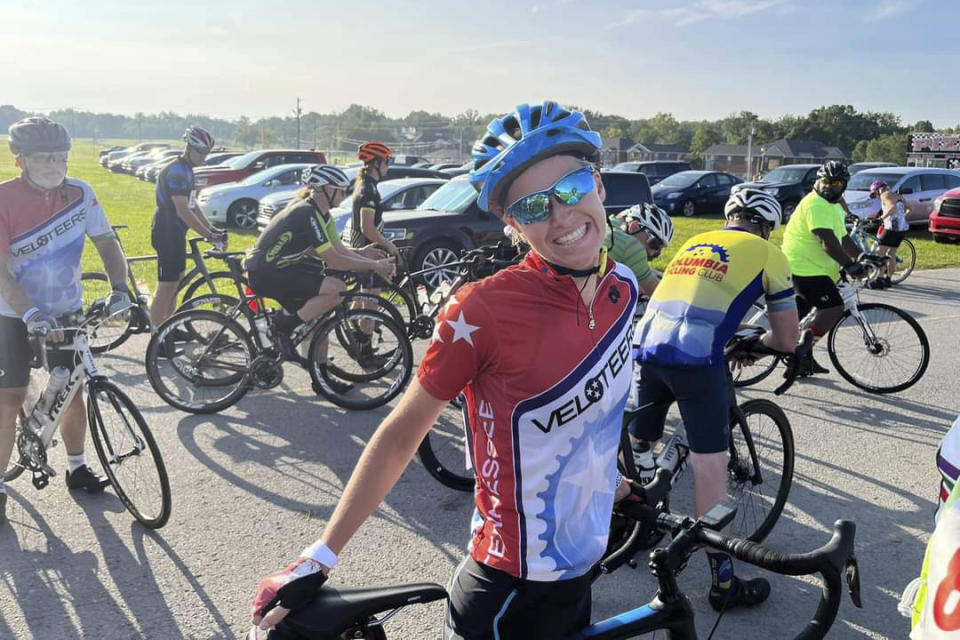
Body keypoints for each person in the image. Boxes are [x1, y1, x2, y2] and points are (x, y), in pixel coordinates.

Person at [251, 101, 639, 639]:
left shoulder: (623, 286)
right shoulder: (482, 310)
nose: (562, 216)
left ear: (597, 183)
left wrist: (605, 481)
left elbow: (592, 414)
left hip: (580, 568)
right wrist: (319, 556)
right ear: (510, 223)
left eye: (572, 189)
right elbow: (398, 436)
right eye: (532, 207)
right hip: (511, 592)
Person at [631, 187, 799, 611]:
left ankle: (636, 517)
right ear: (766, 225)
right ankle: (724, 583)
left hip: (647, 347)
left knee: (640, 444)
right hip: (697, 357)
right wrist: (757, 345)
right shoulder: (767, 251)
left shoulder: (693, 241)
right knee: (711, 468)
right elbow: (787, 338)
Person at [0, 117, 133, 525]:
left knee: (72, 390)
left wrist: (121, 289)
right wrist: (30, 313)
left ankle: (77, 467)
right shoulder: (4, 198)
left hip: (65, 308)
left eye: (61, 157)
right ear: (19, 160)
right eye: (43, 158)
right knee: (9, 396)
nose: (54, 165)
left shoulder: (80, 192)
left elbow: (108, 242)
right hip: (10, 312)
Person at [243, 164, 395, 383]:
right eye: (340, 190)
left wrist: (363, 255)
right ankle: (282, 326)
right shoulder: (306, 213)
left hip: (283, 270)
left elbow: (338, 249)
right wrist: (375, 267)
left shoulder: (321, 214)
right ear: (325, 189)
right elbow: (333, 260)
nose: (344, 195)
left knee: (319, 321)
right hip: (267, 273)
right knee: (337, 288)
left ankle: (323, 380)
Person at [781, 161, 866, 376]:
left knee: (796, 319)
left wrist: (864, 256)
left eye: (835, 182)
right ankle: (801, 352)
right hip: (804, 268)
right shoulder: (816, 204)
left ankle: (801, 358)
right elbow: (827, 241)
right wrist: (850, 265)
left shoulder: (834, 206)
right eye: (825, 181)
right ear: (817, 181)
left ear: (844, 185)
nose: (829, 186)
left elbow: (843, 238)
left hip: (816, 268)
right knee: (833, 308)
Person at [149, 125, 226, 330]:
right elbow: (183, 210)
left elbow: (194, 205)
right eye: (200, 152)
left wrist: (211, 229)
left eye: (206, 153)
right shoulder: (176, 171)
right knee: (166, 287)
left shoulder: (188, 170)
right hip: (166, 230)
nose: (203, 157)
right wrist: (209, 235)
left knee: (176, 284)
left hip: (176, 232)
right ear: (188, 147)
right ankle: (157, 336)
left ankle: (168, 329)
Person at [605, 202, 673, 296]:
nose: (653, 253)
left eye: (659, 251)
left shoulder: (611, 223)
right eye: (654, 244)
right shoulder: (630, 245)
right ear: (634, 227)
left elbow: (640, 268)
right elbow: (660, 295)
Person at [866, 180, 911, 289]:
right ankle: (888, 279)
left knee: (880, 254)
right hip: (902, 229)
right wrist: (902, 218)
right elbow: (910, 209)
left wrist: (881, 219)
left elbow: (892, 208)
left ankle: (879, 279)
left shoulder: (885, 195)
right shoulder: (898, 195)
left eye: (874, 193)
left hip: (891, 228)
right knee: (891, 254)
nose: (875, 196)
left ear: (878, 190)